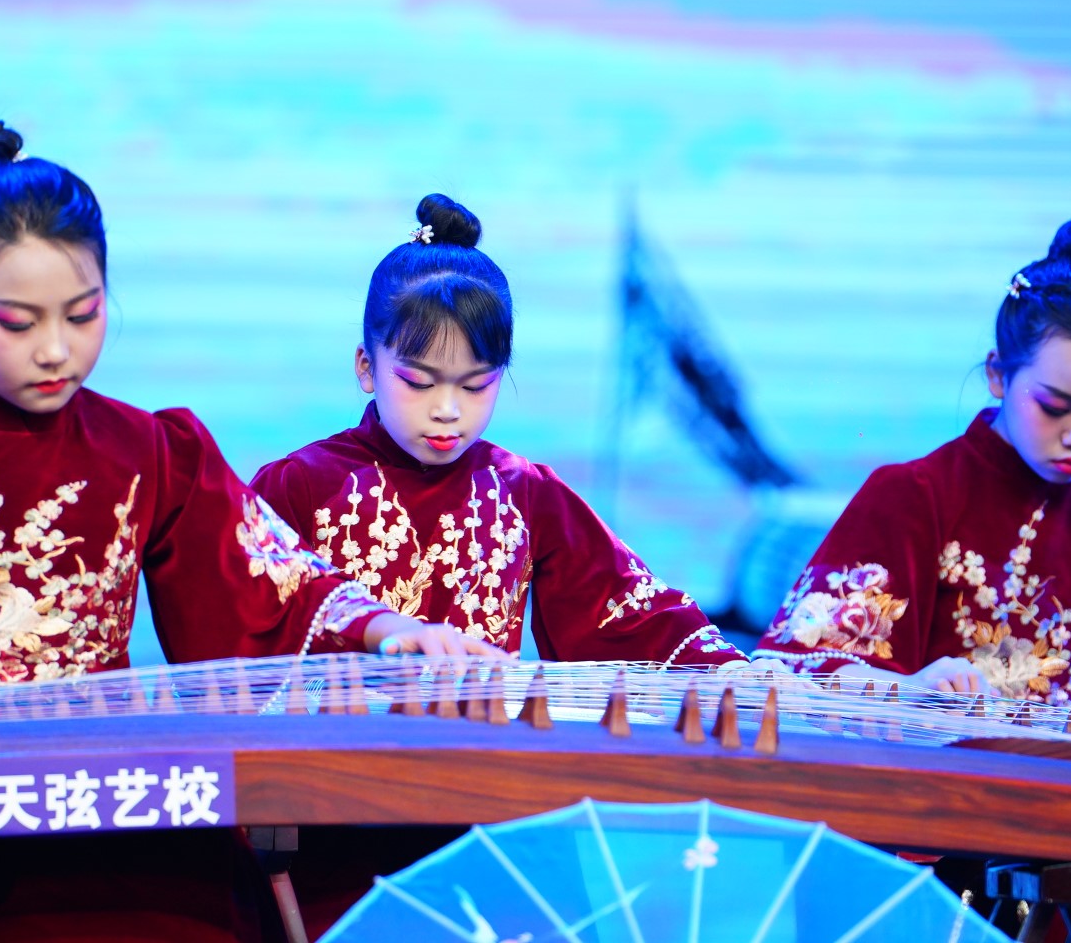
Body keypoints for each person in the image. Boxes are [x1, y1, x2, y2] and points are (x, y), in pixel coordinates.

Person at [0, 123, 502, 731]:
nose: (56, 350)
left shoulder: (149, 452)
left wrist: (384, 629)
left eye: (84, 314)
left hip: (93, 789)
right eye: (18, 322)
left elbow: (274, 591)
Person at [753, 217, 1071, 707]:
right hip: (936, 760)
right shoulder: (914, 494)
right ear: (998, 374)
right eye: (1054, 407)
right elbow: (800, 673)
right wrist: (909, 689)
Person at [251, 194, 748, 668]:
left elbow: (628, 611)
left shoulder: (523, 491)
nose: (447, 410)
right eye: (418, 382)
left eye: (475, 386)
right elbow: (251, 613)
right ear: (366, 366)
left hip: (479, 728)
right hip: (334, 727)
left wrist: (727, 669)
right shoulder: (300, 484)